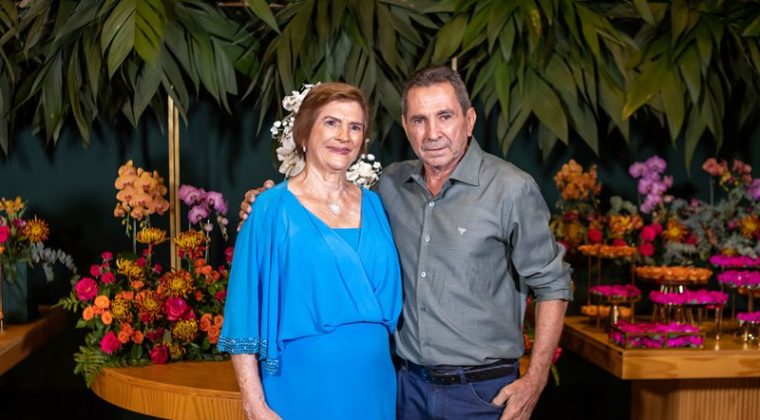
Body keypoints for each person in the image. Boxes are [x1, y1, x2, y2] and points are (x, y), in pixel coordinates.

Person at [239, 66, 572, 420]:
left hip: (480, 394)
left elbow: (553, 284)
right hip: (405, 389)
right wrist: (263, 205)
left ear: (469, 120)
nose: (433, 133)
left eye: (445, 116)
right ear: (405, 126)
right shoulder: (390, 187)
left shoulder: (511, 189)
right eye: (419, 120)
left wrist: (536, 378)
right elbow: (322, 209)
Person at [220, 82, 402, 420]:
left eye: (355, 127)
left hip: (374, 386)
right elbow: (242, 312)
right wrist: (253, 402)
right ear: (304, 133)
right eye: (331, 122)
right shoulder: (269, 209)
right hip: (300, 386)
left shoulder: (376, 206)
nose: (344, 136)